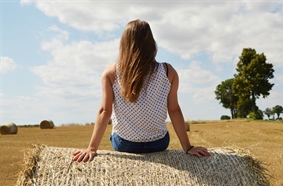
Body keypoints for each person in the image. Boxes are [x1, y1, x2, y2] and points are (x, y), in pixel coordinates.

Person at [73, 19, 210, 162]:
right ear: (152, 44)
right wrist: (187, 147)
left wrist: (92, 148)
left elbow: (105, 111)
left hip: (124, 144)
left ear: (124, 45)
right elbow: (174, 110)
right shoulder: (169, 72)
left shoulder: (111, 72)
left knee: (115, 129)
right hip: (159, 143)